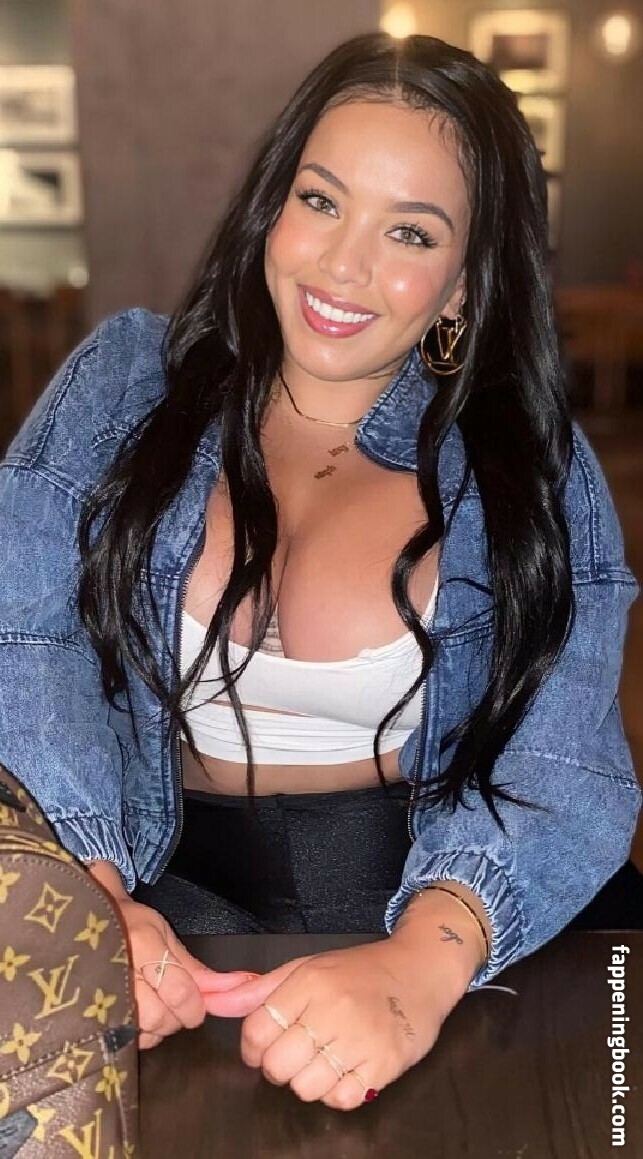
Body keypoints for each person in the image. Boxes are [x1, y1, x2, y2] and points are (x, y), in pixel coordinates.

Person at [0, 31, 640, 1111]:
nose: (343, 265)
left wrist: (420, 967)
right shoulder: (125, 383)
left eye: (409, 231)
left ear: (462, 284)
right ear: (273, 205)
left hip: (458, 923)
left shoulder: (525, 460)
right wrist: (91, 897)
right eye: (321, 200)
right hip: (158, 909)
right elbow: (26, 636)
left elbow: (564, 757)